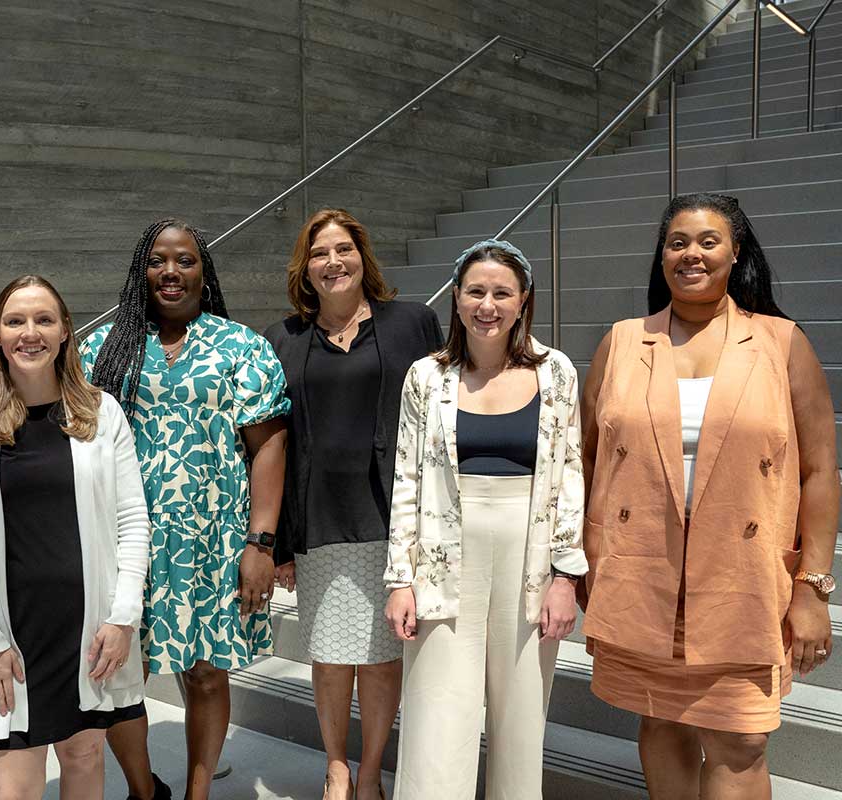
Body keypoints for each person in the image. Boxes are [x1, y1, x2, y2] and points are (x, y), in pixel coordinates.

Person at [580, 193, 840, 799]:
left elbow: (820, 471)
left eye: (707, 241)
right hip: (642, 575)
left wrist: (814, 588)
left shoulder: (780, 343)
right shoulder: (622, 342)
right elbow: (585, 460)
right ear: (660, 257)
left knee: (740, 740)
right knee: (662, 721)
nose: (691, 253)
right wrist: (587, 559)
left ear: (735, 253)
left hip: (743, 582)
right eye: (677, 242)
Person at [81, 219, 289, 800]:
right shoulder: (102, 349)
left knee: (204, 672)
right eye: (157, 260)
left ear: (204, 271)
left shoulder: (241, 346)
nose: (171, 272)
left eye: (186, 261)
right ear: (139, 271)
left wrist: (262, 543)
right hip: (126, 542)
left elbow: (269, 446)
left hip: (211, 540)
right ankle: (144, 790)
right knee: (121, 676)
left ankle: (198, 793)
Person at [383, 240, 587, 799]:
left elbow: (572, 474)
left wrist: (567, 577)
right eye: (476, 291)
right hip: (441, 562)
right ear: (455, 298)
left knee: (520, 723)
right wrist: (400, 579)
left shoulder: (556, 373)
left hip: (530, 563)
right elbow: (406, 479)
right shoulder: (426, 376)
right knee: (434, 720)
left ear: (524, 301)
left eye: (502, 293)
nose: (487, 305)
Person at [0, 275, 149, 800]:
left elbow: (132, 521)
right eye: (15, 321)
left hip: (89, 631)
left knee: (84, 756)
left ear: (64, 334)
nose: (29, 332)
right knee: (14, 781)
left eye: (43, 320)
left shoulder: (102, 415)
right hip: (10, 635)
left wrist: (123, 618)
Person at [264, 209, 443, 800]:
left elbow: (442, 416)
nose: (333, 261)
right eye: (320, 253)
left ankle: (370, 771)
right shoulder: (285, 338)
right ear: (306, 269)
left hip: (392, 515)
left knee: (382, 655)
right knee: (330, 653)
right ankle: (336, 766)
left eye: (344, 249)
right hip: (319, 516)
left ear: (363, 258)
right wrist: (279, 539)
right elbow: (272, 441)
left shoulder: (411, 324)